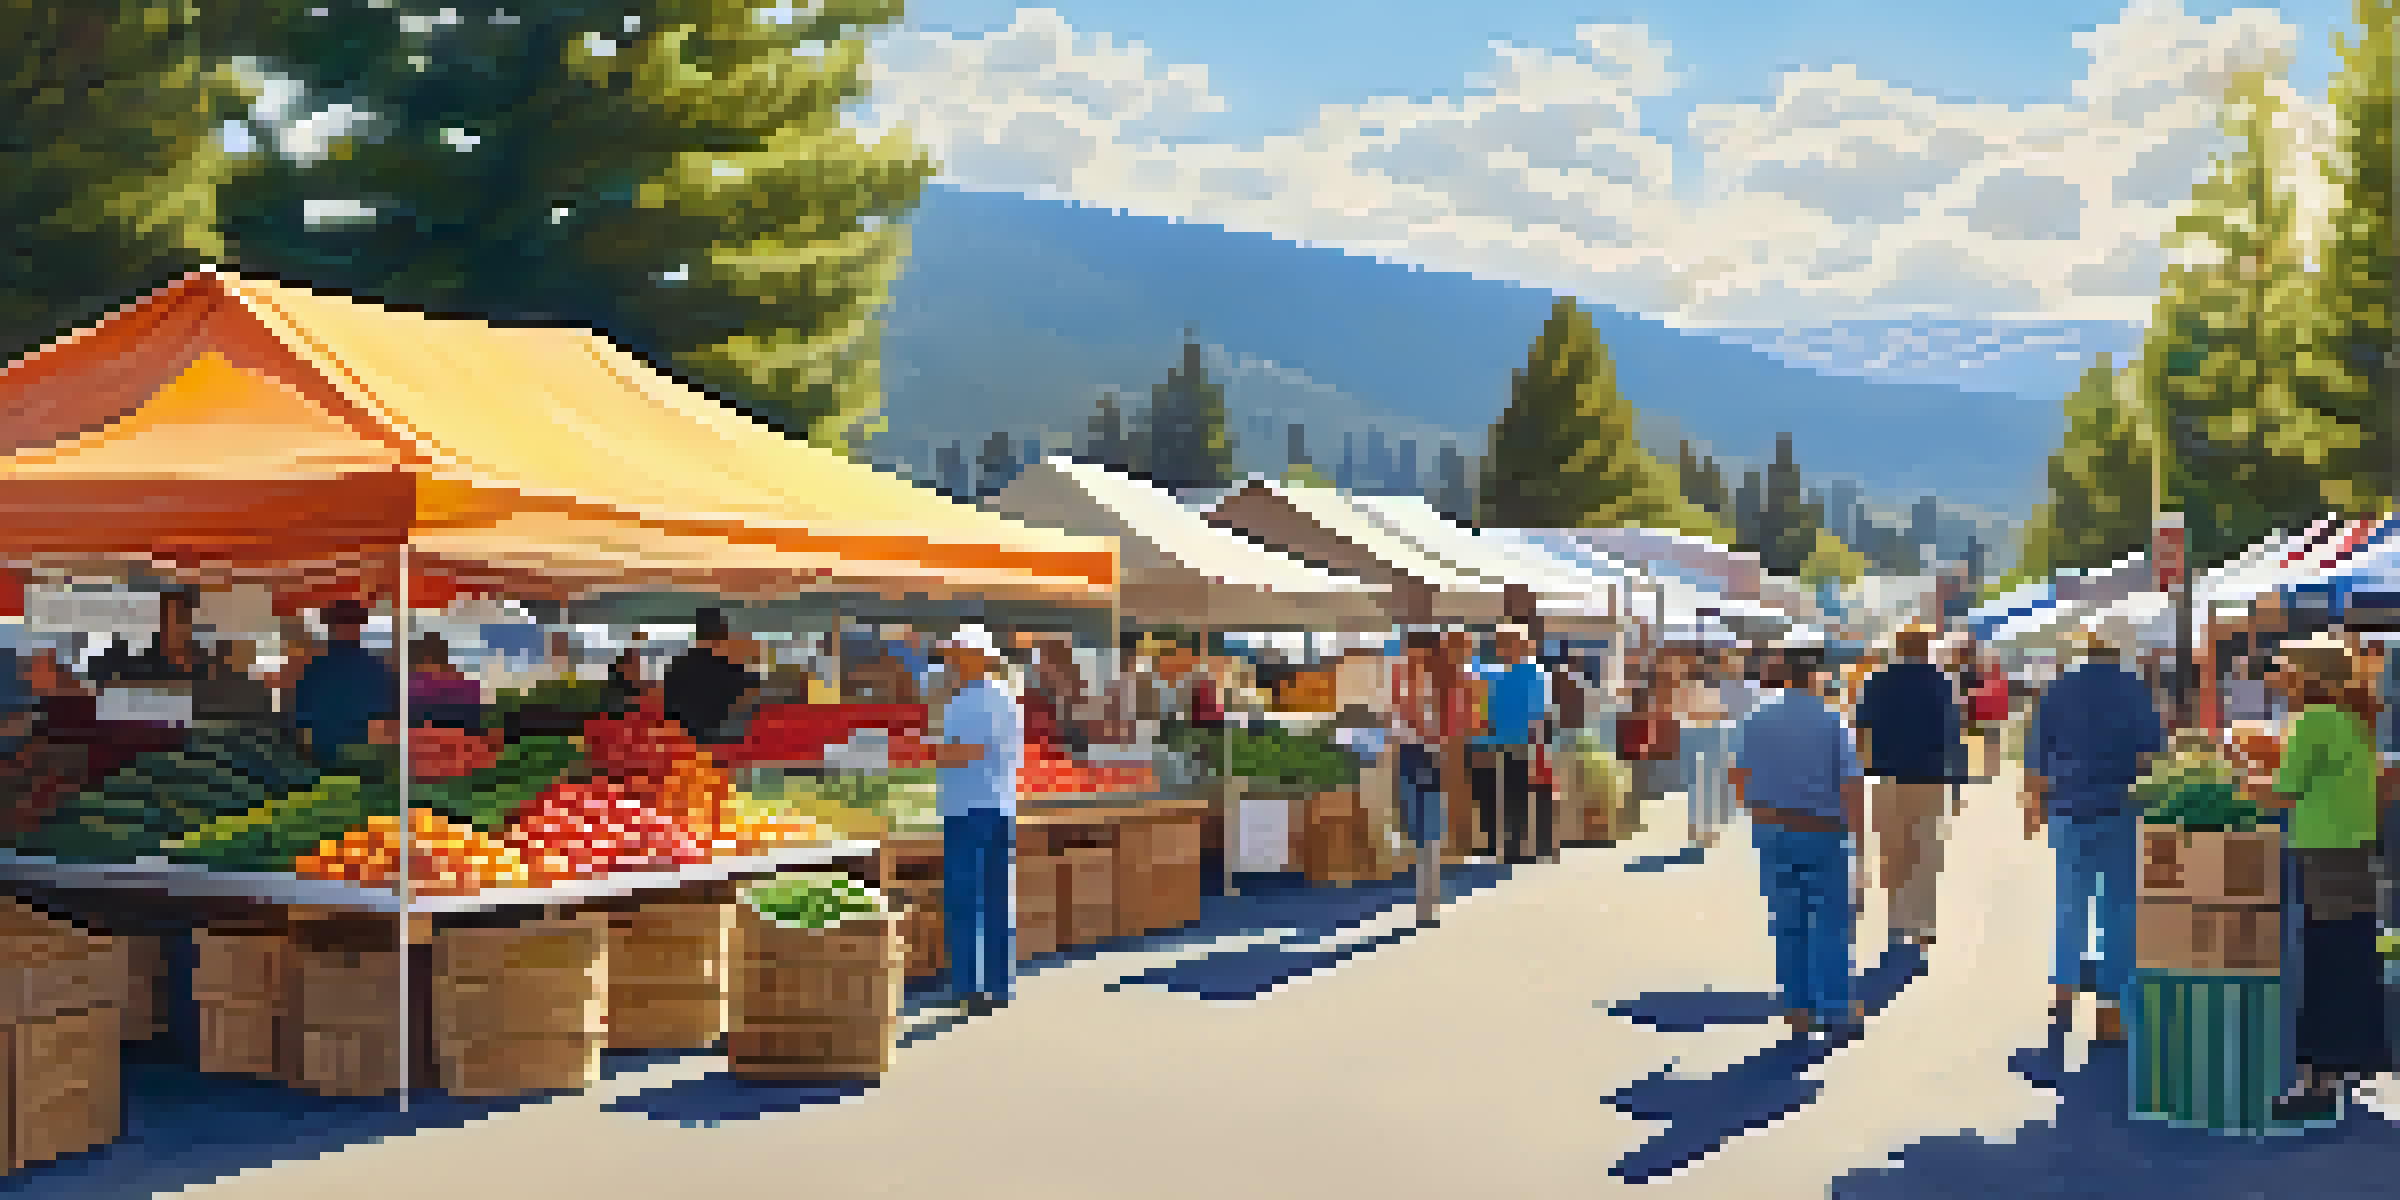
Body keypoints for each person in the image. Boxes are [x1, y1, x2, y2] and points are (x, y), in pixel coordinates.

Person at [2252, 635, 2390, 1121]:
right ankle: (2349, 1061)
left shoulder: (2313, 722)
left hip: (2323, 856)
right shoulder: (2356, 719)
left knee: (2324, 963)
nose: (2279, 677)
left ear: (2309, 676)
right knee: (2350, 958)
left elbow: (2282, 793)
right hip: (2353, 854)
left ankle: (2318, 1081)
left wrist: (2240, 779)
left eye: (2286, 669)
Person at [2022, 629, 2163, 1045]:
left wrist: (2033, 807)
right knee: (2118, 909)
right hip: (2120, 807)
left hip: (2067, 807)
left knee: (2069, 903)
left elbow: (2036, 755)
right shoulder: (2134, 690)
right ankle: (2111, 1010)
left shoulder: (2058, 689)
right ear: (2117, 651)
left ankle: (2063, 991)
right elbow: (2151, 753)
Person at [1731, 646, 1868, 1037]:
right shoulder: (1832, 722)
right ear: (1817, 675)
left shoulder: (1756, 718)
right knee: (1830, 920)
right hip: (1823, 830)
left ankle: (1797, 1007)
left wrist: (1757, 811)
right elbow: (1851, 786)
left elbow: (1737, 774)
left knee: (1788, 921)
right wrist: (1859, 844)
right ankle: (1834, 1005)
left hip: (1773, 828)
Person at [929, 625, 1025, 1018]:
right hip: (1000, 805)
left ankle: (968, 988)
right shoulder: (1005, 697)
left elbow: (963, 752)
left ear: (974, 659)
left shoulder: (967, 701)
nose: (949, 662)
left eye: (954, 656)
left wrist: (923, 757)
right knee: (998, 899)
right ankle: (998, 985)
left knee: (965, 901)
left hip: (967, 807)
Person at [1856, 623, 1961, 951]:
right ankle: (1923, 923)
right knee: (1926, 849)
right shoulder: (1942, 683)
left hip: (1886, 775)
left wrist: (1859, 772)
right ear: (1926, 647)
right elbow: (1952, 736)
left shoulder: (1877, 681)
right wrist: (1956, 784)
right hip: (1930, 777)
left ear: (1898, 647)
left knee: (1892, 850)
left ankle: (1897, 918)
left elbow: (1861, 730)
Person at [1391, 629, 1462, 924]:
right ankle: (1428, 896)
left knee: (1423, 826)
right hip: (1424, 753)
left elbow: (1401, 719)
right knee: (1427, 825)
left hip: (1414, 754)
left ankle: (1428, 895)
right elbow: (1441, 725)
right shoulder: (1427, 680)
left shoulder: (1407, 677)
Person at [1472, 624, 1554, 866]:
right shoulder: (1494, 674)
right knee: (1491, 795)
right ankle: (1493, 845)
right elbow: (1487, 709)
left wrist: (1536, 745)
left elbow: (1539, 713)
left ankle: (1517, 846)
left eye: (1508, 642)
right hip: (1493, 742)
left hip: (1522, 744)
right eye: (1500, 642)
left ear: (1523, 644)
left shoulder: (1535, 672)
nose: (1502, 647)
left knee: (1517, 796)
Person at [290, 599, 398, 766]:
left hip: (327, 756)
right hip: (364, 757)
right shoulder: (379, 668)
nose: (346, 629)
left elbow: (300, 718)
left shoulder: (314, 668)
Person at [662, 609, 760, 746]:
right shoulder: (731, 669)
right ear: (722, 633)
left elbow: (668, 706)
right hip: (720, 743)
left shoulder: (678, 665)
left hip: (683, 742)